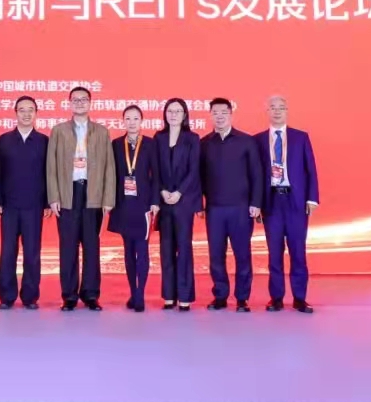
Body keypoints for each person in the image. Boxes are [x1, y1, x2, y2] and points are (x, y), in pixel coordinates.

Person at [46, 86, 116, 312]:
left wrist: (108, 198)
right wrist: (53, 197)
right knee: (68, 246)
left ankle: (91, 294)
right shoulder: (59, 131)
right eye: (75, 99)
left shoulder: (101, 132)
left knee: (91, 246)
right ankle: (69, 295)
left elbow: (109, 167)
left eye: (83, 99)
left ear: (90, 103)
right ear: (69, 103)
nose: (79, 103)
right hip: (67, 193)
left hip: (93, 193)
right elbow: (51, 167)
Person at [254, 95, 319, 314]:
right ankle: (276, 298)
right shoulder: (258, 140)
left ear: (287, 110)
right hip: (271, 201)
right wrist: (256, 203)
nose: (277, 111)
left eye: (281, 108)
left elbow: (311, 169)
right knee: (274, 253)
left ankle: (300, 298)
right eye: (273, 107)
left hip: (296, 202)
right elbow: (255, 175)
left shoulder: (301, 137)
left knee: (298, 252)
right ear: (267, 111)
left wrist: (312, 198)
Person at [200, 97, 264, 313]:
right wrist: (200, 203)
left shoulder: (246, 141)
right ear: (210, 115)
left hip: (241, 209)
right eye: (215, 113)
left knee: (242, 255)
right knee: (216, 255)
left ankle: (242, 298)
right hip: (214, 209)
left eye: (223, 112)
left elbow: (257, 174)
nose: (219, 116)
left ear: (231, 114)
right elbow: (199, 177)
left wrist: (256, 203)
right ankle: (220, 295)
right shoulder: (205, 143)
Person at [0, 96, 49, 310]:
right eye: (22, 110)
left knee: (32, 252)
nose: (26, 114)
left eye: (30, 110)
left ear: (36, 113)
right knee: (8, 251)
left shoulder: (44, 141)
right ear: (15, 113)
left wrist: (47, 202)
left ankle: (30, 296)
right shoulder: (4, 140)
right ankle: (7, 296)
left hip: (34, 205)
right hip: (9, 205)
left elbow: (49, 174)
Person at [108, 105, 159, 313]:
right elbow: (111, 175)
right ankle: (132, 292)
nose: (131, 122)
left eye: (135, 118)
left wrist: (155, 201)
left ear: (141, 121)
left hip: (143, 204)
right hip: (123, 204)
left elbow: (157, 175)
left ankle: (140, 294)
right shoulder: (115, 144)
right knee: (128, 251)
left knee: (142, 249)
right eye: (128, 118)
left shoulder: (150, 144)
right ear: (123, 121)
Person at [155, 98, 201, 311]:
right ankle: (168, 295)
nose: (173, 115)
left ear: (184, 115)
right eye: (170, 111)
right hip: (164, 201)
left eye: (178, 111)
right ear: (165, 114)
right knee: (166, 248)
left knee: (183, 247)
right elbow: (154, 169)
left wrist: (179, 192)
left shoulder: (192, 138)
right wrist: (162, 191)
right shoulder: (158, 137)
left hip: (184, 202)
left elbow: (194, 170)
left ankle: (184, 296)